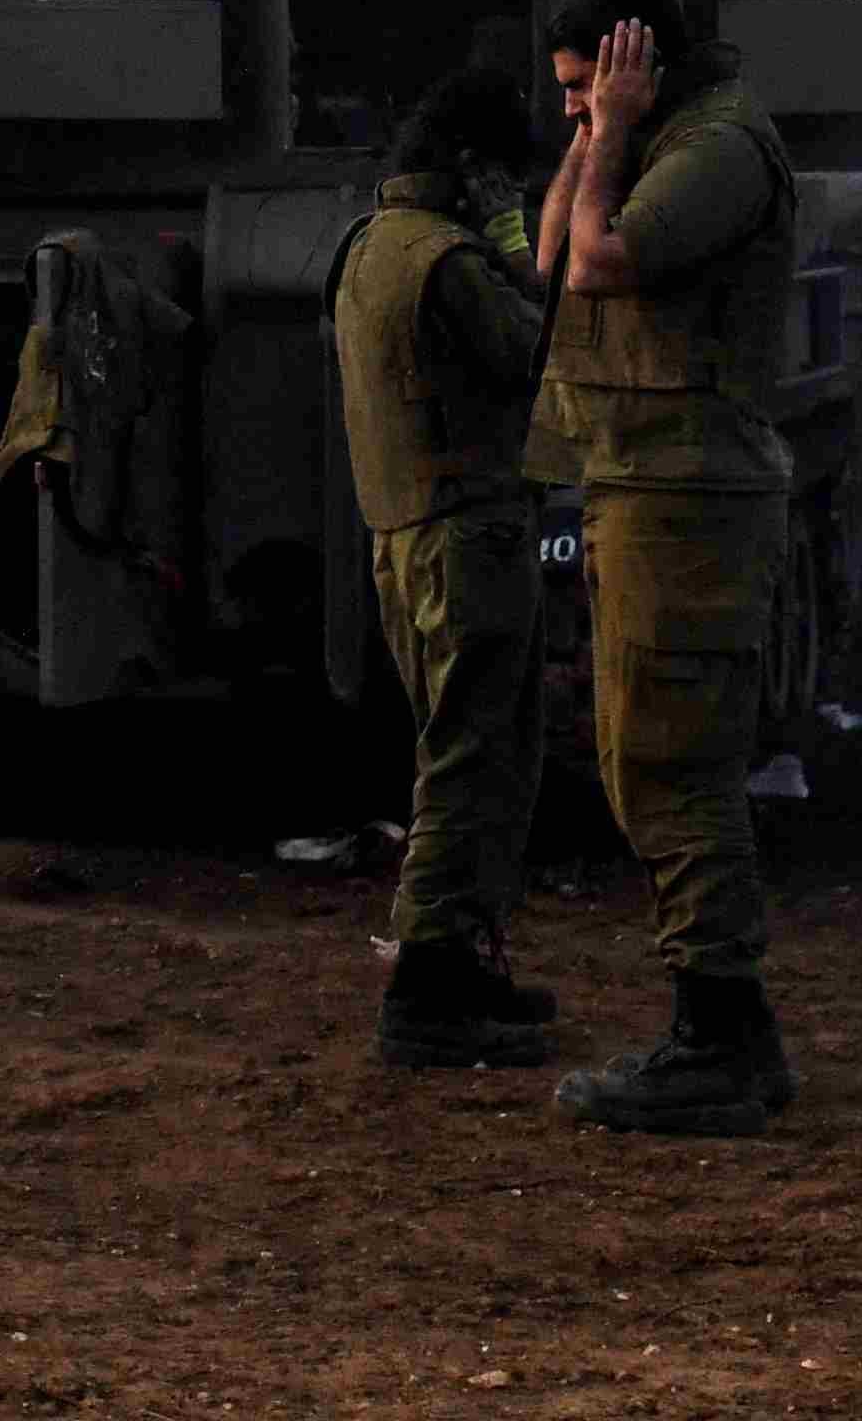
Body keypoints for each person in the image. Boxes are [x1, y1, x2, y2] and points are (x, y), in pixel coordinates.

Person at [525, 0, 812, 1137]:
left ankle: (722, 1038)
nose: (571, 108)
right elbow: (552, 245)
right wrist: (597, 131)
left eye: (584, 83)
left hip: (691, 491)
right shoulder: (635, 139)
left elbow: (599, 265)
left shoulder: (718, 152)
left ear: (641, 61)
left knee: (678, 767)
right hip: (639, 483)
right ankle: (723, 1031)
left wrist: (616, 130)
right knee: (640, 755)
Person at [330, 57, 560, 1068]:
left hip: (408, 537)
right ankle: (428, 983)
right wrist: (517, 238)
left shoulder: (370, 244)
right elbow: (538, 350)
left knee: (462, 749)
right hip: (469, 537)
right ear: (474, 169)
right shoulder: (450, 260)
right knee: (475, 760)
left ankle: (463, 964)